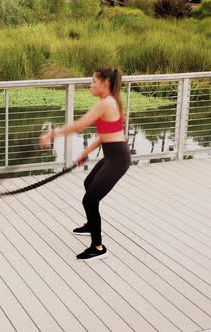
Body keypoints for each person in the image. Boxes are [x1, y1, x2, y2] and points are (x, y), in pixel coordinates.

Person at [40, 68, 130, 261]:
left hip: (118, 159)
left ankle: (98, 247)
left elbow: (79, 125)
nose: (90, 85)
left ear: (104, 84)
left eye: (93, 81)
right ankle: (91, 224)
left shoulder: (106, 103)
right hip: (113, 156)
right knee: (89, 184)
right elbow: (105, 136)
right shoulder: (108, 102)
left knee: (89, 200)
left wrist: (51, 133)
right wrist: (85, 153)